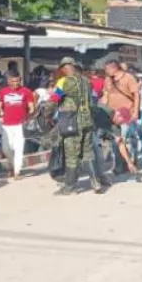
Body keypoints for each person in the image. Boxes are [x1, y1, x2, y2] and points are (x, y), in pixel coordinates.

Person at [49, 57, 104, 195]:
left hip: (72, 124)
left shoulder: (64, 82)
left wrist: (46, 114)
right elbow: (93, 100)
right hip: (88, 122)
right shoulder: (86, 81)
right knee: (88, 153)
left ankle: (70, 187)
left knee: (71, 156)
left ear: (64, 68)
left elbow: (54, 99)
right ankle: (95, 183)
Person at [100, 60, 141, 180]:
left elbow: (136, 95)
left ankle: (128, 163)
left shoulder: (128, 78)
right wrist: (103, 110)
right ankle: (122, 164)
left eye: (107, 69)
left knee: (124, 139)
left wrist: (135, 112)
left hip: (126, 113)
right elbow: (106, 95)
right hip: (113, 114)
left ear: (113, 68)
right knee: (117, 140)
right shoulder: (108, 79)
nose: (105, 71)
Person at [0, 72, 36, 179]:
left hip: (20, 125)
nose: (16, 83)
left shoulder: (26, 92)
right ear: (8, 81)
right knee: (6, 149)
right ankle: (11, 166)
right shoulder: (3, 92)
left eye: (18, 81)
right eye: (13, 81)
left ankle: (17, 171)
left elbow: (31, 106)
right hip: (6, 125)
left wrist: (30, 114)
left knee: (18, 148)